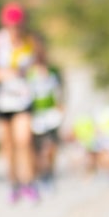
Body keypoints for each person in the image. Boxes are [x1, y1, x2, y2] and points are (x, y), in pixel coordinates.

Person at [0, 2, 44, 205]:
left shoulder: (32, 41)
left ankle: (29, 183)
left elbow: (42, 64)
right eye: (11, 26)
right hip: (3, 99)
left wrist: (39, 73)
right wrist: (1, 73)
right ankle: (13, 184)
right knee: (9, 145)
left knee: (24, 139)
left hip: (24, 98)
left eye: (18, 25)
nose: (15, 30)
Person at [27, 57, 64, 192]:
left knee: (51, 147)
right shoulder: (28, 74)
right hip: (35, 116)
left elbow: (59, 91)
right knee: (38, 149)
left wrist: (61, 106)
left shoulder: (53, 72)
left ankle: (50, 172)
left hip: (52, 116)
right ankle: (41, 174)